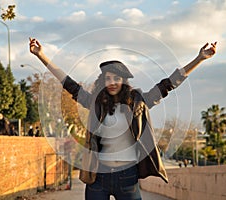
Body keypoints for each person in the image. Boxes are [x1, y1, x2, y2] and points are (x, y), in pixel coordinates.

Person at [29, 38, 216, 200]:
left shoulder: (138, 101)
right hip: (98, 176)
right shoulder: (95, 102)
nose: (111, 82)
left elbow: (168, 84)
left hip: (127, 177)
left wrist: (199, 58)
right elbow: (68, 83)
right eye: (107, 78)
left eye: (116, 78)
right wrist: (41, 55)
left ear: (123, 80)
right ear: (102, 81)